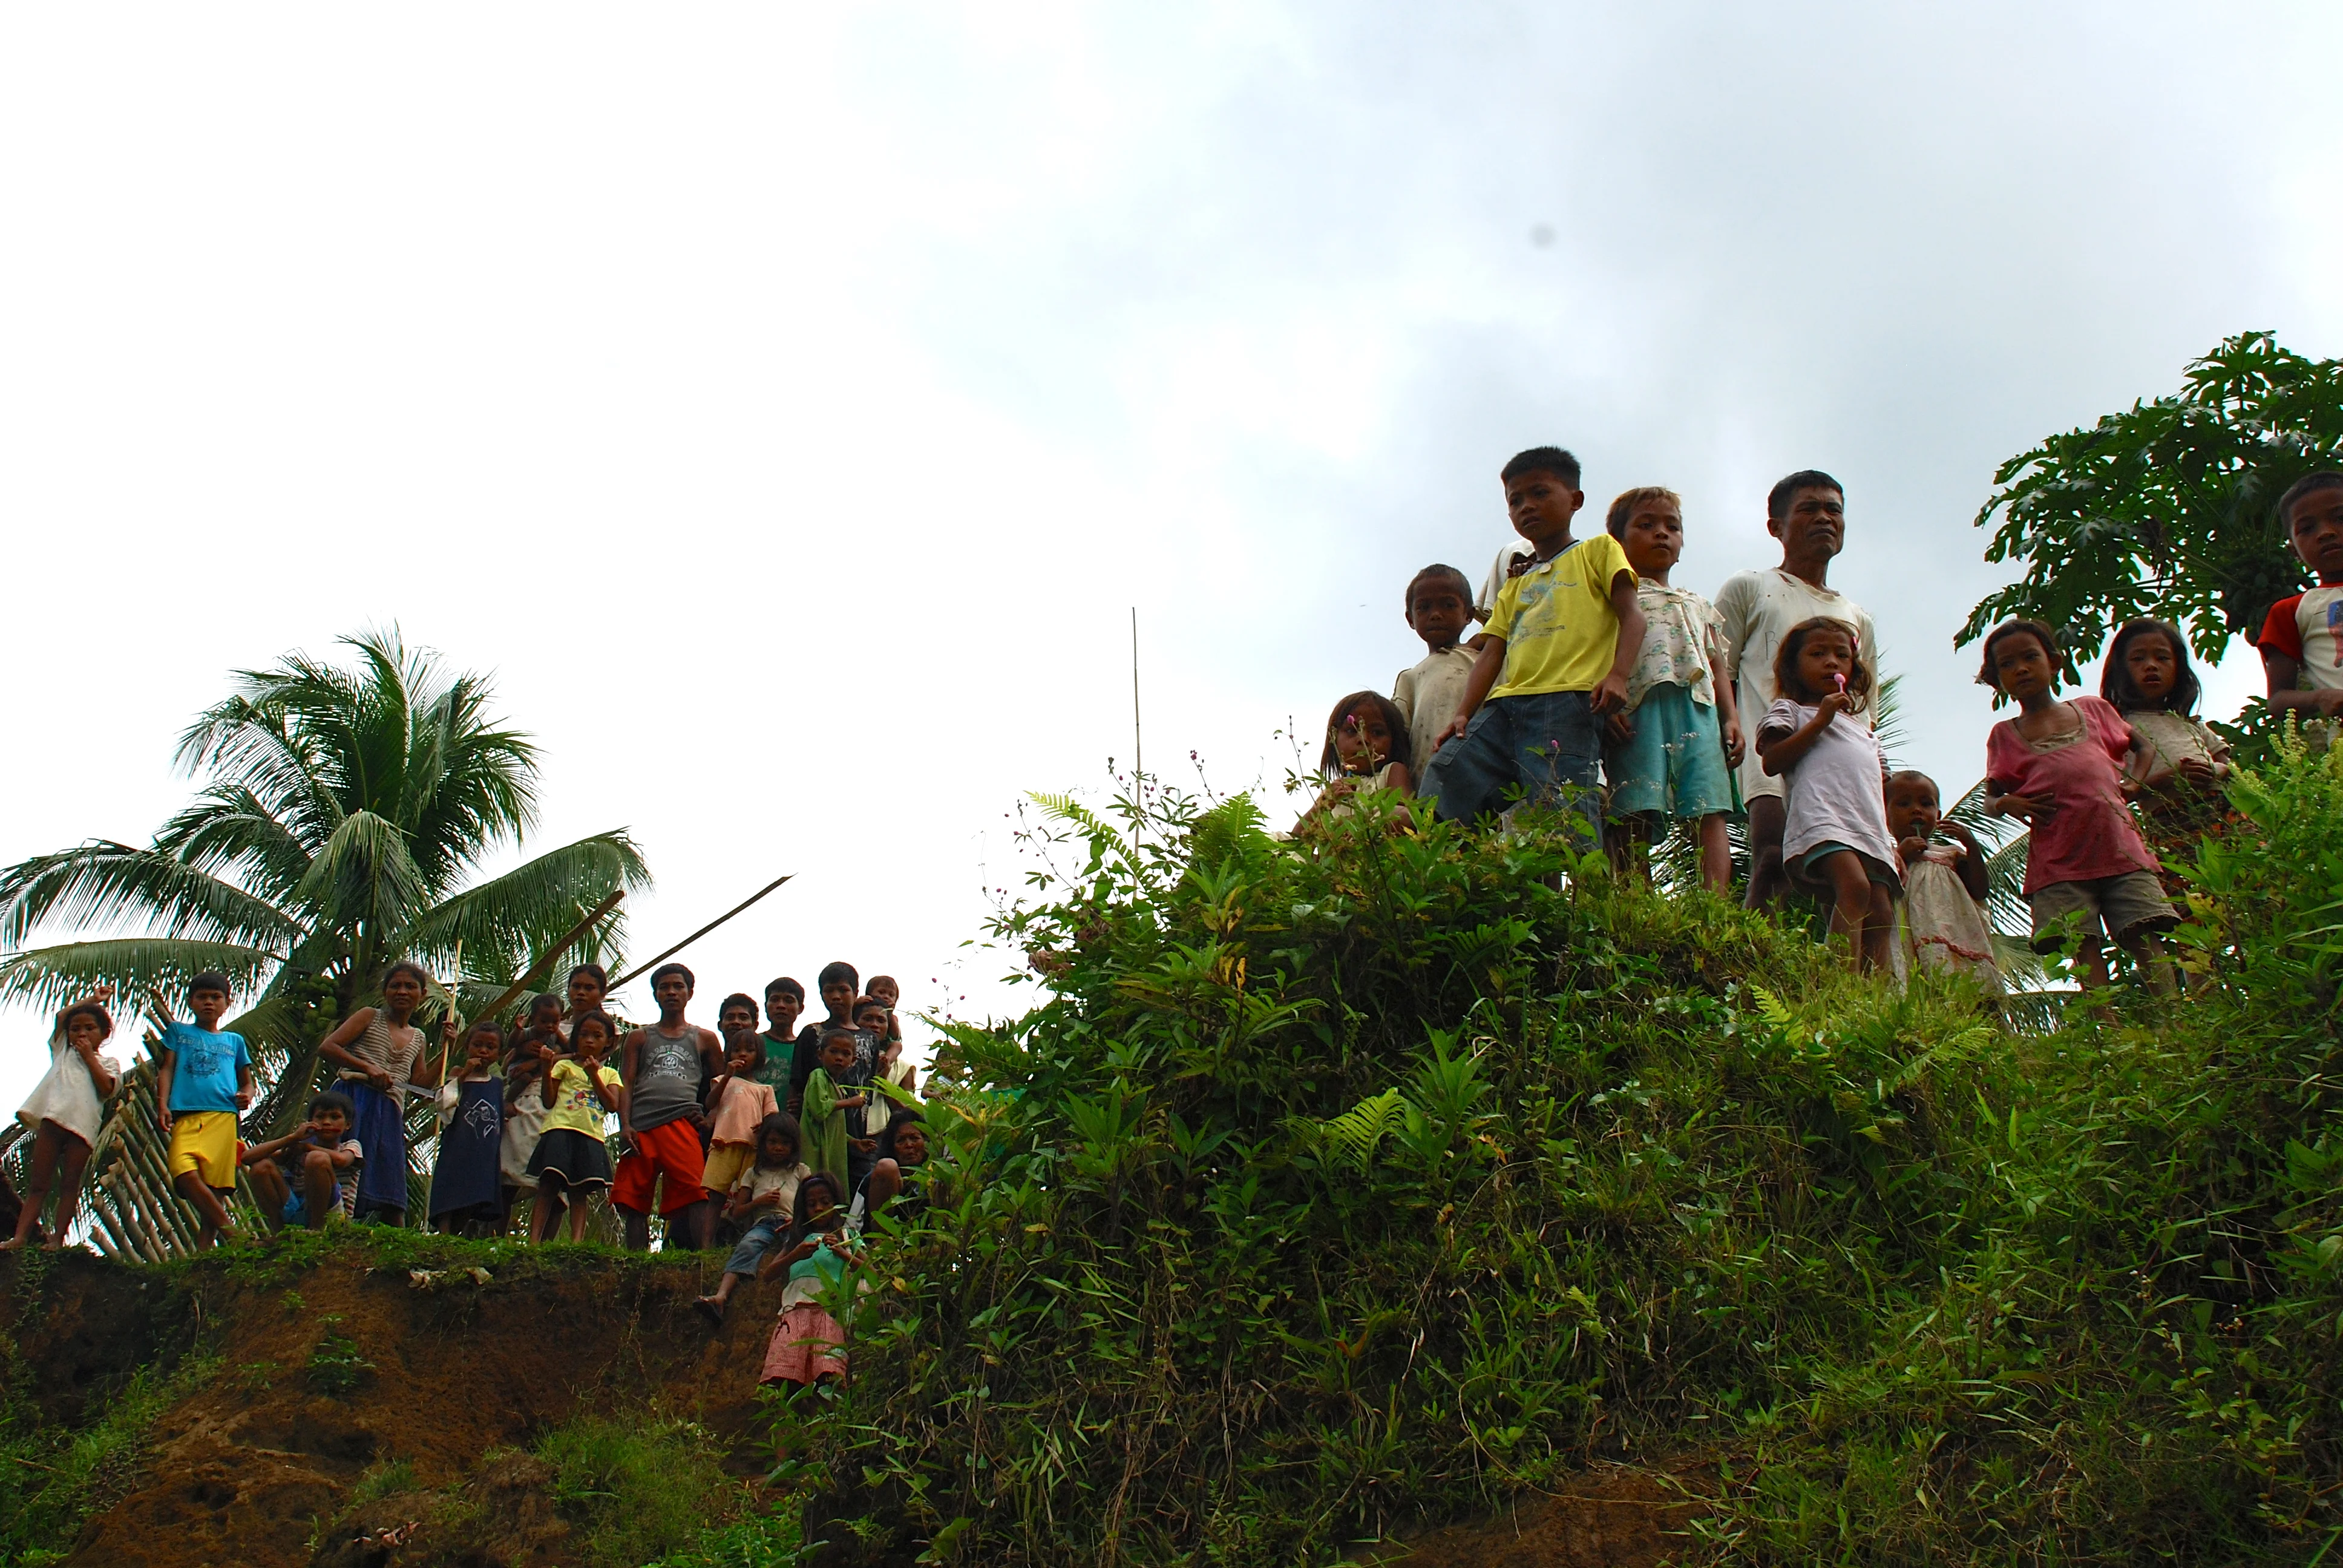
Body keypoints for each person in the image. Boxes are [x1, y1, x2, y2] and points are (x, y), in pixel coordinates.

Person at [1429, 447, 1646, 849]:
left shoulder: (1597, 552)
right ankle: (1450, 884)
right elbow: (1492, 652)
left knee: (1561, 811)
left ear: (1575, 500)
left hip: (1566, 701)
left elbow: (1633, 616)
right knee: (1450, 772)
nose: (1527, 506)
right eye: (1516, 500)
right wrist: (1463, 712)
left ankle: (1587, 904)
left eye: (1540, 493)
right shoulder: (1516, 583)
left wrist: (1618, 675)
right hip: (1505, 705)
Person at [1979, 619, 2178, 993]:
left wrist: (2133, 784)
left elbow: (2144, 748)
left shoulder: (2094, 710)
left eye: (2030, 657)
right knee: (2083, 948)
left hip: (2120, 848)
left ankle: (2177, 1020)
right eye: (2007, 665)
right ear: (1997, 679)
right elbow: (1991, 800)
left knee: (2145, 935)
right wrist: (2009, 800)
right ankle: (2106, 1030)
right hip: (2059, 863)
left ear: (2054, 663)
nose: (2020, 669)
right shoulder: (2004, 735)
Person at [1715, 472, 1881, 909]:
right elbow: (1717, 667)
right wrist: (1728, 729)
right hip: (1771, 751)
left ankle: (1847, 974)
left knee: (1856, 881)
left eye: (1834, 510)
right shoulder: (1750, 588)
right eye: (1809, 509)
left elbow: (1865, 710)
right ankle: (1747, 961)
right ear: (1777, 526)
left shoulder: (1855, 617)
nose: (1824, 518)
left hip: (1840, 769)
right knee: (1771, 857)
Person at [1601, 488, 1744, 892]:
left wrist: (1730, 719)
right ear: (1618, 542)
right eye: (1646, 525)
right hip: (1637, 711)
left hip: (1698, 711)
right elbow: (1597, 662)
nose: (1661, 534)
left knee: (1709, 808)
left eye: (1672, 526)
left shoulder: (1697, 603)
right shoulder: (1613, 603)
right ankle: (1635, 902)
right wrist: (1606, 712)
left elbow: (1718, 665)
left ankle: (1714, 910)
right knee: (1634, 807)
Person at [1755, 618, 1900, 973]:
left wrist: (1893, 843)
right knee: (1853, 888)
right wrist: (1820, 721)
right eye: (1817, 654)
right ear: (1793, 666)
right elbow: (1772, 762)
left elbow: (1880, 790)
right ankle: (1840, 986)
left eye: (1842, 655)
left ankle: (1878, 1002)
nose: (1832, 662)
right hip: (1823, 822)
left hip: (1869, 830)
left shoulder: (1866, 735)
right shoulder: (1790, 711)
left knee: (1881, 911)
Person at [2103, 617, 2233, 898]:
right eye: (2138, 659)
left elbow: (2227, 764)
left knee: (2257, 886)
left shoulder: (2190, 723)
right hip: (2170, 822)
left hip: (2223, 811)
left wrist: (2214, 771)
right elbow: (2119, 792)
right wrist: (2172, 777)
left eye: (2162, 657)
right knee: (2194, 902)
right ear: (2121, 671)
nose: (2151, 665)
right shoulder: (2118, 728)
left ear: (2178, 668)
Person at [317, 960, 453, 1224]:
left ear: (422, 994)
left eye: (410, 987)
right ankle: (331, 1229)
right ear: (385, 992)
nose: (402, 992)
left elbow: (421, 1086)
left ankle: (399, 1248)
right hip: (353, 1100)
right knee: (345, 1168)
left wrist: (448, 1047)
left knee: (390, 1177)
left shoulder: (418, 1037)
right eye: (396, 986)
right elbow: (328, 1047)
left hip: (389, 1110)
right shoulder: (370, 1016)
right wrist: (368, 1068)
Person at [613, 963, 726, 1251]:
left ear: (690, 993)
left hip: (682, 1122)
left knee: (695, 1191)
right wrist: (625, 1124)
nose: (672, 992)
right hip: (642, 1124)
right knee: (634, 1197)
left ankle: (702, 1260)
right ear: (655, 994)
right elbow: (627, 1080)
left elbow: (723, 1082)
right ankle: (635, 1262)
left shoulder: (704, 1038)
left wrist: (712, 1115)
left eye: (678, 987)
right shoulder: (640, 1037)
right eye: (665, 987)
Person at [6, 987, 122, 1250]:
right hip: (53, 1119)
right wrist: (92, 1001)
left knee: (70, 1185)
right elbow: (61, 1016)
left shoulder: (109, 1063)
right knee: (39, 1184)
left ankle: (58, 1239)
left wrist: (88, 1056)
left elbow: (106, 1088)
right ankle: (20, 1237)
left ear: (104, 1034)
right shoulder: (62, 1052)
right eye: (76, 1029)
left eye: (90, 1028)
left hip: (82, 1128)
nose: (81, 1034)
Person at [151, 972, 254, 1249]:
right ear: (191, 1002)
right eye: (202, 997)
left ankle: (204, 1255)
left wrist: (246, 1096)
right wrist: (162, 1103)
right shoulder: (179, 1032)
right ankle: (236, 1237)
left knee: (217, 1188)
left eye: (215, 997)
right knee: (183, 1172)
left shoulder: (235, 1041)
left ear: (227, 1003)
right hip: (187, 1114)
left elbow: (247, 1083)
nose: (209, 1003)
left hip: (224, 1116)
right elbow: (167, 1068)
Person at [1884, 771, 2002, 993]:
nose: (1916, 809)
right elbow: (1883, 888)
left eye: (1925, 803)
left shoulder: (1951, 854)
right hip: (1912, 936)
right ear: (1885, 816)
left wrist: (1972, 847)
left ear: (1938, 815)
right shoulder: (1887, 856)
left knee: (1963, 986)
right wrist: (1900, 854)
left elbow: (1980, 890)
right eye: (1903, 803)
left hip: (1955, 935)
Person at [695, 1112, 813, 1324]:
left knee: (795, 1244)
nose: (778, 1148)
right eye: (773, 1142)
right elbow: (738, 1212)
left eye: (785, 1143)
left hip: (790, 1222)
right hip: (764, 1224)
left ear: (794, 1146)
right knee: (747, 1246)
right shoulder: (754, 1173)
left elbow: (810, 1201)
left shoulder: (800, 1171)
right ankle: (721, 1296)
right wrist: (760, 1202)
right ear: (763, 1143)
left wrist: (797, 1221)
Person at [2255, 472, 2343, 736]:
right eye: (2307, 528)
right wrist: (2321, 698)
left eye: (2340, 519)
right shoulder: (2290, 611)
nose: (2326, 533)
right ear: (2294, 550)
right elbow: (2278, 701)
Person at [756, 1173, 859, 1395]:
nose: (819, 1209)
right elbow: (768, 1274)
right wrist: (795, 1254)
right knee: (789, 1355)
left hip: (830, 1308)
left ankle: (826, 1394)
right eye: (812, 1204)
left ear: (837, 1205)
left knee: (828, 1360)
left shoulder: (846, 1236)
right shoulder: (798, 1239)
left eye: (826, 1202)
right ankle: (790, 1394)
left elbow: (870, 1269)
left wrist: (842, 1253)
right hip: (796, 1307)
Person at [526, 1010, 624, 1243]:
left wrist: (594, 1076)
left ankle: (577, 1243)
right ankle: (533, 1240)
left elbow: (612, 1105)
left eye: (597, 1036)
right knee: (548, 1186)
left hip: (589, 1135)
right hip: (559, 1128)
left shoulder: (609, 1073)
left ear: (608, 1042)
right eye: (584, 1035)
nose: (589, 1041)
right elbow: (548, 1101)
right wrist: (547, 1068)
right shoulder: (565, 1066)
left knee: (579, 1191)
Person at [1391, 564, 1481, 791]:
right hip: (1427, 782)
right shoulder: (1410, 678)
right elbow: (1399, 738)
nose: (1436, 614)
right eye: (1424, 608)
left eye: (1449, 605)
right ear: (1410, 619)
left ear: (1469, 614)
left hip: (1480, 775)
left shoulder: (1484, 662)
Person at [429, 1021, 507, 1236]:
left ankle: (458, 1232)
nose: (483, 1051)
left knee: (475, 1192)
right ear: (467, 1048)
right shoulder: (457, 1074)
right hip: (458, 1144)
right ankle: (444, 1231)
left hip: (483, 1149)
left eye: (490, 1048)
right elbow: (443, 1101)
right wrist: (464, 1075)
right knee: (451, 1184)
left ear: (498, 1054)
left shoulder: (496, 1084)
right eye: (477, 1045)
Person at [242, 1092, 364, 1229]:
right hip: (297, 1210)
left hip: (333, 1217)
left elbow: (341, 1161)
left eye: (335, 1117)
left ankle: (317, 1230)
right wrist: (292, 1138)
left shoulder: (351, 1146)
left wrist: (306, 1147)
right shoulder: (298, 1149)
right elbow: (247, 1158)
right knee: (261, 1167)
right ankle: (280, 1233)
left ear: (348, 1125)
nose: (327, 1122)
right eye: (320, 1117)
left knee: (317, 1158)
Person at [1303, 691, 1414, 825]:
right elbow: (1299, 839)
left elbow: (1406, 817)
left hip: (1379, 842)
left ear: (1394, 742)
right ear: (1334, 740)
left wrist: (1348, 827)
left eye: (1377, 732)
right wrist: (1322, 805)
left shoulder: (1392, 772)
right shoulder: (1334, 792)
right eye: (1351, 731)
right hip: (1340, 846)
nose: (1363, 739)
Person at [499, 994, 563, 1228]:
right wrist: (519, 1034)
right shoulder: (528, 1033)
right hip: (523, 1086)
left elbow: (572, 1052)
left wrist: (541, 1061)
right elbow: (510, 1047)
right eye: (544, 1021)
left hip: (549, 1098)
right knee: (507, 1174)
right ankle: (508, 1101)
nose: (549, 1026)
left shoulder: (558, 1034)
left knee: (551, 1184)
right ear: (533, 1018)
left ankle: (542, 1240)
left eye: (554, 1022)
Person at [703, 1031, 781, 1198]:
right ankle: (709, 1225)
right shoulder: (721, 1081)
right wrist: (727, 1076)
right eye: (737, 1050)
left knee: (745, 1194)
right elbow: (710, 1103)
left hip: (752, 1147)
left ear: (759, 1056)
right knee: (715, 1195)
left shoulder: (765, 1089)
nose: (742, 1054)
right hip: (722, 1144)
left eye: (750, 1050)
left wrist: (766, 1125)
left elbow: (773, 1118)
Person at [788, 961, 863, 1115]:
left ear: (855, 994)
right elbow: (796, 1085)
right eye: (829, 991)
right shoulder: (812, 1033)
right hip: (818, 1127)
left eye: (843, 990)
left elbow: (869, 1086)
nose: (836, 997)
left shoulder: (870, 1039)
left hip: (856, 1129)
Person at [799, 1030, 866, 1190]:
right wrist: (850, 1102)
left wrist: (854, 1142)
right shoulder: (818, 1076)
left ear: (853, 1060)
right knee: (814, 1187)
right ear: (821, 1055)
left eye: (846, 1054)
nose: (839, 1058)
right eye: (833, 1052)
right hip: (815, 1148)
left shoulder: (837, 1086)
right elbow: (820, 1110)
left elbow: (835, 1125)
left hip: (832, 1148)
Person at [850, 1109, 931, 1232]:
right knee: (887, 1167)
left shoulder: (934, 1180)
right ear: (891, 1147)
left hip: (925, 1248)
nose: (909, 1145)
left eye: (914, 1138)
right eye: (901, 1140)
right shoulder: (875, 1178)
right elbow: (851, 1228)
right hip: (876, 1246)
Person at [755, 978, 806, 1094]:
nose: (781, 1006)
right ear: (766, 1006)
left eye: (789, 1000)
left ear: (801, 1008)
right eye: (775, 1000)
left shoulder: (804, 1048)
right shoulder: (753, 1044)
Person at [862, 996, 916, 1103]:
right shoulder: (842, 1057)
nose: (875, 1025)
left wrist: (884, 1083)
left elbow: (909, 1113)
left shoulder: (903, 1069)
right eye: (868, 1019)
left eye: (881, 1020)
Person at [560, 963, 609, 1040]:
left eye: (589, 988)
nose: (581, 992)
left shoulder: (608, 1032)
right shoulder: (553, 1028)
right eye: (576, 986)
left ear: (603, 994)